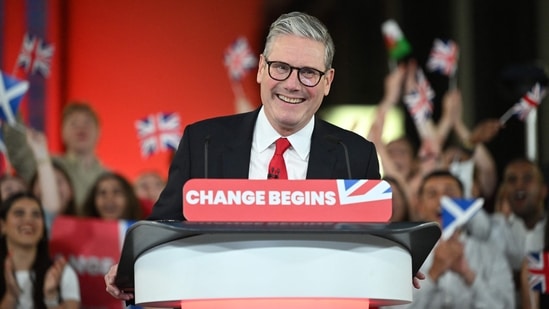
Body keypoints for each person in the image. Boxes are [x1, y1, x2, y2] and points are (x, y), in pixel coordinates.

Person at [105, 11, 385, 301]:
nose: (292, 84)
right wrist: (134, 267)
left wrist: (394, 261)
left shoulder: (356, 154)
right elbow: (163, 231)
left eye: (309, 73)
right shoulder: (203, 143)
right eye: (281, 67)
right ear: (262, 68)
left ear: (328, 81)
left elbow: (370, 249)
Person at [382, 170, 515, 308]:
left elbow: (506, 306)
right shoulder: (401, 256)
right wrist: (433, 273)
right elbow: (390, 307)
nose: (442, 201)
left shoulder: (491, 254)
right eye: (432, 194)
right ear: (420, 206)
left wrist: (468, 275)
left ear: (464, 202)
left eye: (450, 193)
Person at [3, 102, 109, 214]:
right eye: (74, 123)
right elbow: (19, 152)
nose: (81, 128)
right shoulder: (47, 165)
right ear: (62, 132)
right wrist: (9, 102)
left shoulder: (109, 178)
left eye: (87, 122)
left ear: (99, 131)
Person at [0, 192, 80, 308]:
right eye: (19, 213)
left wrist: (51, 297)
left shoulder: (62, 274)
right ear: (2, 226)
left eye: (36, 215)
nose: (28, 221)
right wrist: (10, 296)